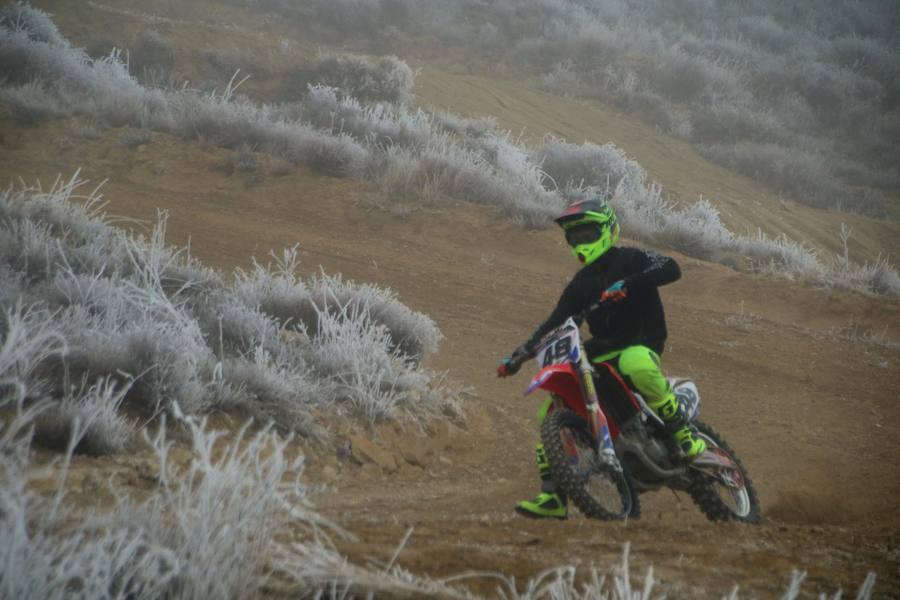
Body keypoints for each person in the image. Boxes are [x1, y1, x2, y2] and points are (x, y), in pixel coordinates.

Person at [496, 195, 706, 519]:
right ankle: (554, 497)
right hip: (602, 349)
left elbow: (671, 267)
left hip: (641, 341)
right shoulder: (580, 284)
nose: (581, 242)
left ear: (608, 230)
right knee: (548, 412)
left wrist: (631, 283)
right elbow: (555, 322)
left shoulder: (631, 259)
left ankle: (683, 433)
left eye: (588, 234)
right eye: (575, 237)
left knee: (635, 362)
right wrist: (519, 355)